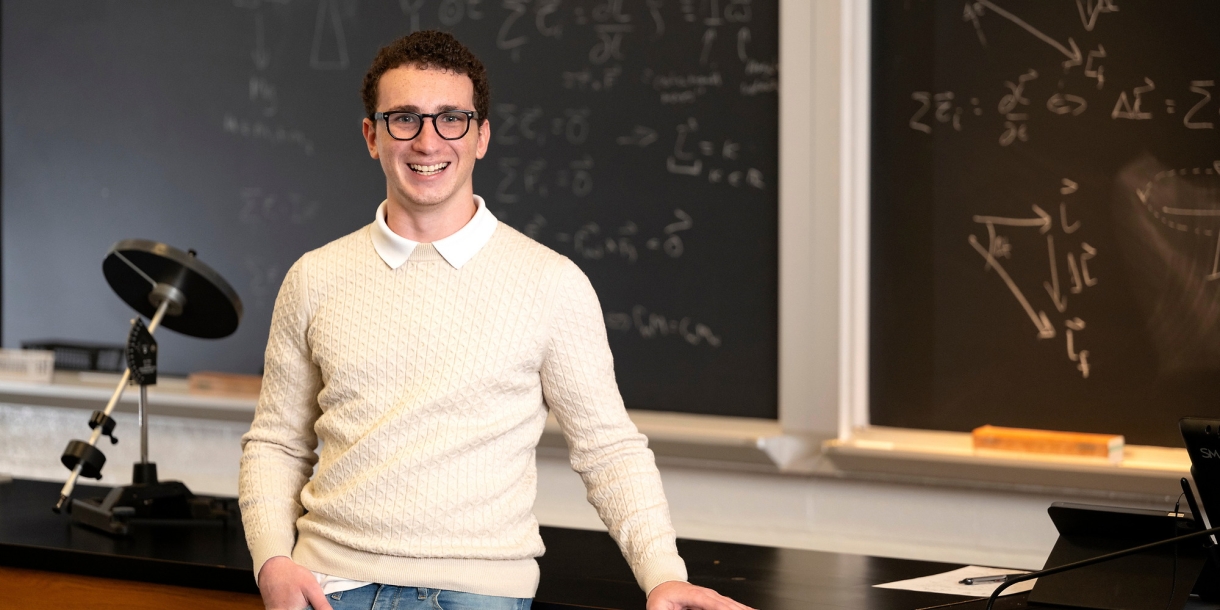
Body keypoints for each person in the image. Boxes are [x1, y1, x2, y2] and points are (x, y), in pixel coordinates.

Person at [239, 30, 753, 610]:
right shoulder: (315, 276)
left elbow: (608, 449)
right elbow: (277, 444)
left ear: (481, 136)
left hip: (481, 595)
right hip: (331, 589)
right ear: (371, 136)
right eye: (403, 118)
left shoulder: (550, 282)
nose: (428, 140)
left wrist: (663, 573)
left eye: (451, 119)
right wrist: (271, 561)